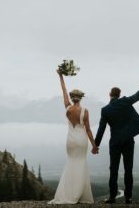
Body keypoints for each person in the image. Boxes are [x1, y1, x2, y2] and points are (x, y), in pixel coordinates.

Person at [93, 71, 139, 204]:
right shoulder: (126, 102)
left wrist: (96, 145)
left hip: (115, 142)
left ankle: (112, 197)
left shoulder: (105, 110)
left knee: (113, 170)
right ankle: (128, 197)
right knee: (128, 169)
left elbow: (102, 128)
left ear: (110, 95)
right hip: (128, 140)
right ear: (119, 95)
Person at [48, 70, 96, 204]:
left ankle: (68, 193)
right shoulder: (85, 111)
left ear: (72, 97)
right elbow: (88, 130)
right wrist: (94, 145)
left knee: (70, 163)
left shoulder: (67, 108)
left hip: (70, 140)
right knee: (81, 164)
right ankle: (78, 194)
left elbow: (63, 91)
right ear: (81, 98)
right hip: (81, 141)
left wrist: (60, 76)